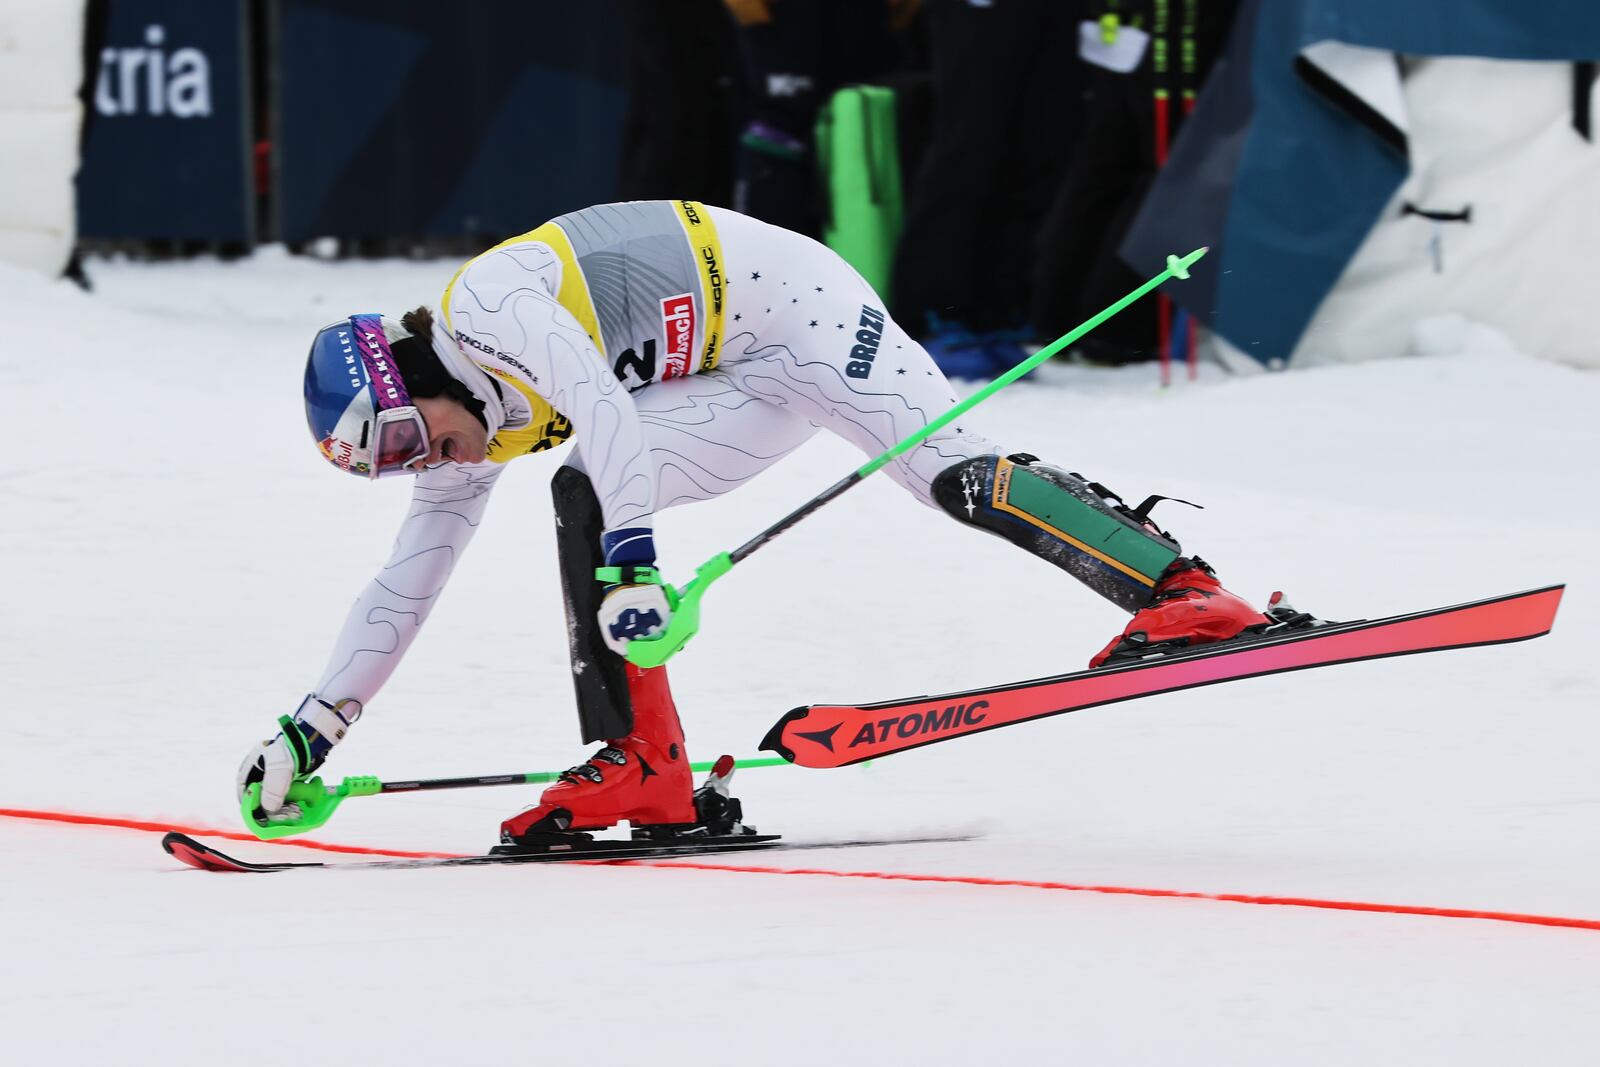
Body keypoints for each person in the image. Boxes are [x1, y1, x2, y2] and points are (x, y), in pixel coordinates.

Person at [237, 200, 1268, 845]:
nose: (429, 467)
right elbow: (408, 580)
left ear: (412, 374)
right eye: (398, 465)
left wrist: (633, 566)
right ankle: (647, 764)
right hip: (730, 376)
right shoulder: (473, 427)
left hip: (801, 313)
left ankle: (1185, 592)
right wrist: (315, 727)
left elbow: (598, 403)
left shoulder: (488, 309)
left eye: (413, 441)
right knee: (584, 489)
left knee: (948, 475)